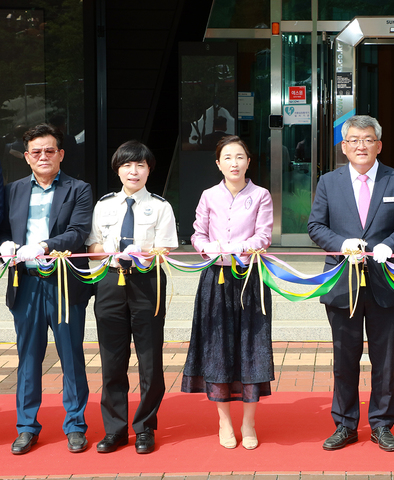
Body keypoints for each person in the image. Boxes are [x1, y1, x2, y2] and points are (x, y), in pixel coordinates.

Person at [308, 115, 394, 452]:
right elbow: (316, 226)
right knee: (345, 358)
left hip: (386, 283)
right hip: (343, 283)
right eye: (353, 140)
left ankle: (382, 424)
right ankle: (345, 423)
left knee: (384, 359)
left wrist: (391, 245)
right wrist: (342, 244)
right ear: (344, 146)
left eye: (368, 139)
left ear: (379, 145)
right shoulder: (329, 181)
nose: (360, 146)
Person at [0, 123, 92, 455]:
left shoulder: (79, 189)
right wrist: (7, 246)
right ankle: (26, 426)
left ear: (61, 154)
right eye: (36, 151)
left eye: (49, 150)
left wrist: (43, 245)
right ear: (26, 157)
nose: (43, 156)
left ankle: (76, 426)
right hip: (25, 284)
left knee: (71, 356)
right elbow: (1, 231)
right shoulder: (12, 191)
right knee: (27, 359)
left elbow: (79, 231)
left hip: (64, 283)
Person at [181, 136, 274, 450]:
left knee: (252, 346)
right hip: (215, 277)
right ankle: (224, 421)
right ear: (218, 163)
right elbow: (198, 232)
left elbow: (264, 234)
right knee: (217, 347)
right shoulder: (209, 195)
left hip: (250, 278)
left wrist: (243, 246)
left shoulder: (260, 195)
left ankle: (249, 422)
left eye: (240, 157)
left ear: (249, 161)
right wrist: (204, 246)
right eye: (227, 157)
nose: (234, 163)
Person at [86, 140, 178, 454]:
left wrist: (144, 255)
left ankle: (145, 428)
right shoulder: (104, 205)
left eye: (140, 165)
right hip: (110, 282)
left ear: (149, 169)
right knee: (112, 359)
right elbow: (92, 249)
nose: (133, 171)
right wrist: (109, 250)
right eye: (127, 165)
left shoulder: (161, 206)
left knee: (150, 360)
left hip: (147, 282)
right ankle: (115, 429)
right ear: (118, 170)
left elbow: (165, 250)